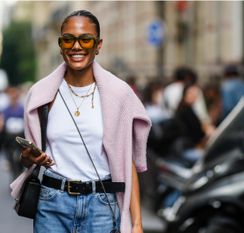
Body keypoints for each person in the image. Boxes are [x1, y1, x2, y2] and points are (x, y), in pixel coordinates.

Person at [9, 10, 151, 233]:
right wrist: (28, 159)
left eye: (85, 39)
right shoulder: (42, 95)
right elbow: (31, 160)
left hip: (102, 206)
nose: (76, 46)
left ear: (98, 45)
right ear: (60, 44)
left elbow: (127, 162)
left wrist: (137, 223)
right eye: (68, 40)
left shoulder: (118, 95)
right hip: (52, 204)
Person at [175, 84, 207, 163]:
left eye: (196, 94)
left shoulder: (188, 108)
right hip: (187, 148)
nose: (194, 95)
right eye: (191, 93)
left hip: (189, 146)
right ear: (185, 94)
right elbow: (195, 131)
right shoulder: (185, 110)